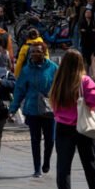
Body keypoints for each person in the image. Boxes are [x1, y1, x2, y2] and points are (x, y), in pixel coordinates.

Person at [49, 48, 95, 189]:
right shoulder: (85, 81)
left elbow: (53, 103)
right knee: (89, 160)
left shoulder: (59, 81)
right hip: (83, 127)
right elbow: (94, 102)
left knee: (63, 163)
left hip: (62, 126)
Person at [10, 42, 58, 178]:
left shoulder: (53, 68)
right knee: (35, 140)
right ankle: (37, 168)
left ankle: (46, 161)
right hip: (32, 110)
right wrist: (13, 108)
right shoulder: (26, 70)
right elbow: (19, 90)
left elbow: (59, 86)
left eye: (37, 51)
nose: (34, 54)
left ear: (44, 52)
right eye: (32, 52)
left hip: (49, 109)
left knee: (50, 140)